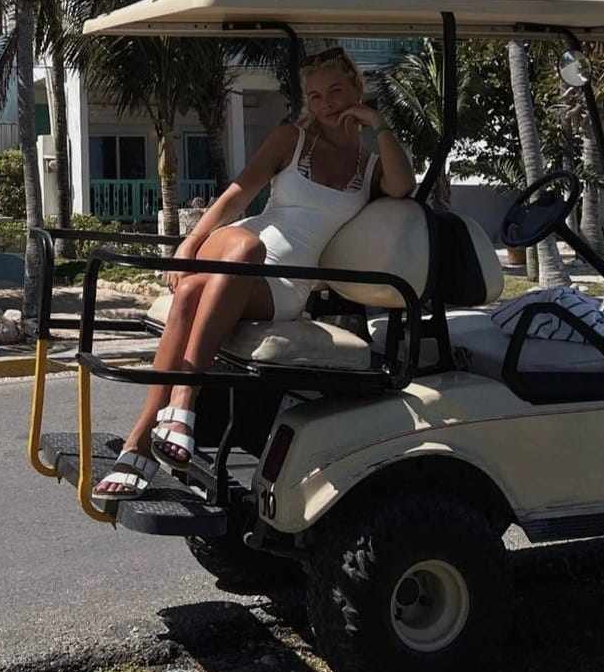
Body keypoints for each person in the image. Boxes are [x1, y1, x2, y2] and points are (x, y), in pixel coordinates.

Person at [93, 46, 416, 499]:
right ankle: (174, 414)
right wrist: (190, 244)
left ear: (357, 90)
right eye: (316, 95)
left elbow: (404, 186)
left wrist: (376, 122)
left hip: (285, 285)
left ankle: (142, 445)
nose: (326, 104)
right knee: (246, 244)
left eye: (337, 91)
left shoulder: (369, 165)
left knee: (190, 298)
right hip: (240, 247)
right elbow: (238, 194)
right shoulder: (292, 138)